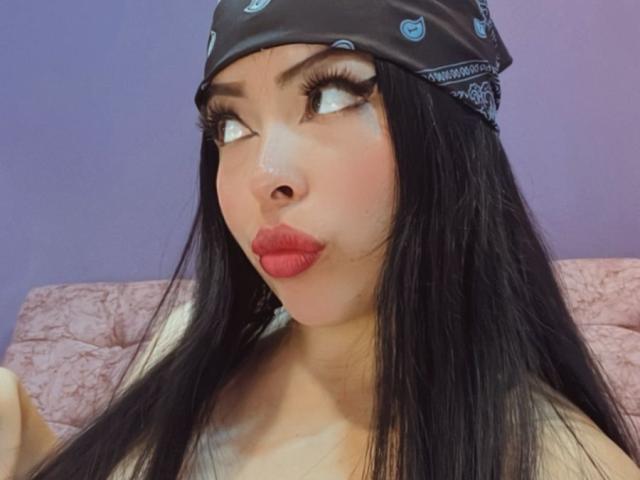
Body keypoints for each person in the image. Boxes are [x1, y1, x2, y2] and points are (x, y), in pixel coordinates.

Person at [3, 1, 640, 479]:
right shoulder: (183, 340)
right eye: (230, 125)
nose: (264, 176)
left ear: (449, 133)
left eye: (330, 95)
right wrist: (24, 437)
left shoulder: (563, 464)